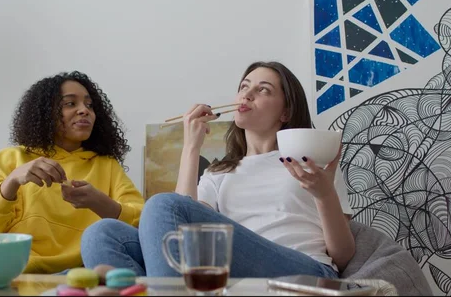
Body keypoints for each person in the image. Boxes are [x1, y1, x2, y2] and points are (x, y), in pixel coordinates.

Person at [80, 61, 355, 278]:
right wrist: (191, 147)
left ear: (285, 112)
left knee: (162, 204)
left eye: (263, 90)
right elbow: (180, 231)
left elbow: (342, 256)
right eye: (244, 86)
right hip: (234, 274)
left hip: (305, 271)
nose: (247, 94)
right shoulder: (219, 173)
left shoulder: (311, 162)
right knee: (101, 234)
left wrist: (324, 194)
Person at [0, 71, 145, 274]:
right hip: (6, 271)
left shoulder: (106, 165)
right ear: (45, 113)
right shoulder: (11, 158)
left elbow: (145, 224)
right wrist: (11, 183)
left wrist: (99, 202)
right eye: (70, 103)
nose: (84, 110)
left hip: (74, 277)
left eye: (89, 105)